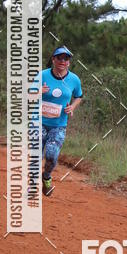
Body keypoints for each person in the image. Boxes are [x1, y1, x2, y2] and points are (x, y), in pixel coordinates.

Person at [38, 46, 83, 196]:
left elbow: (79, 96)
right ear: (53, 60)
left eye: (66, 58)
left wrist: (73, 107)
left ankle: (46, 177)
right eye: (59, 58)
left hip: (58, 126)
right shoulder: (42, 75)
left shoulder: (74, 80)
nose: (62, 61)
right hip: (38, 123)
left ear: (69, 62)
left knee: (51, 155)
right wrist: (38, 92)